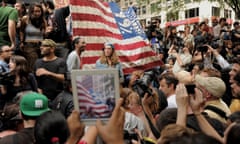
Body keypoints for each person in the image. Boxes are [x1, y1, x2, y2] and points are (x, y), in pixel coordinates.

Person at [20, 3, 47, 71]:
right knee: (33, 64)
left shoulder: (43, 20)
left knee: (41, 65)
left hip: (40, 45)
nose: (38, 13)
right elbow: (21, 31)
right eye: (35, 11)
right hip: (29, 45)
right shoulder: (25, 19)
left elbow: (44, 34)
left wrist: (46, 32)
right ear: (31, 11)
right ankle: (32, 80)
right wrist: (21, 42)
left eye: (39, 11)